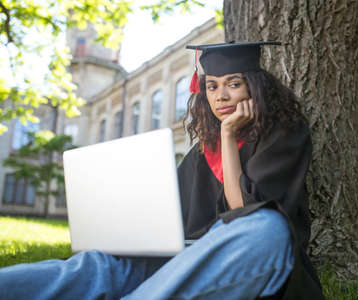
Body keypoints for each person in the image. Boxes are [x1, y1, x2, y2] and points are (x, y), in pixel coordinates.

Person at [0, 42, 324, 300]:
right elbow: (169, 219)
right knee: (99, 266)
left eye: (233, 84)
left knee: (266, 228)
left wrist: (227, 135)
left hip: (249, 260)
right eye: (211, 86)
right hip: (184, 260)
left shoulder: (285, 135)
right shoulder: (199, 154)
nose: (220, 96)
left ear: (254, 87)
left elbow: (244, 214)